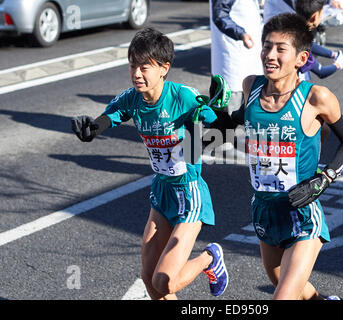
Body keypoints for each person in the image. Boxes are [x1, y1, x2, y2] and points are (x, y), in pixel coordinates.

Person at [70, 27, 228, 299]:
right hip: (163, 190)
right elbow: (113, 114)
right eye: (133, 65)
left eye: (145, 67)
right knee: (149, 277)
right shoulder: (133, 98)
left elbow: (223, 133)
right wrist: (92, 129)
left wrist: (216, 110)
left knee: (164, 281)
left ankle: (209, 259)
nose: (136, 74)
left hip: (189, 192)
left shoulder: (183, 97)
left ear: (164, 68)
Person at [241, 13, 343, 299]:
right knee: (290, 287)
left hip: (302, 213)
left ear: (301, 58)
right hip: (265, 211)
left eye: (281, 49)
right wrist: (214, 114)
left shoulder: (316, 97)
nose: (270, 55)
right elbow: (239, 120)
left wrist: (324, 178)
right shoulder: (250, 87)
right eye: (267, 46)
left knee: (283, 297)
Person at [263, 0, 343, 81]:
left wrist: (334, 54)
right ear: (316, 16)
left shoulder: (290, 32)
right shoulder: (298, 47)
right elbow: (321, 71)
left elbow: (310, 46)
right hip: (293, 90)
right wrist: (340, 63)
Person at [210, 0, 264, 128]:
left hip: (249, 60)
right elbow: (220, 14)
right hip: (233, 64)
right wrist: (241, 34)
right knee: (226, 124)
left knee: (249, 121)